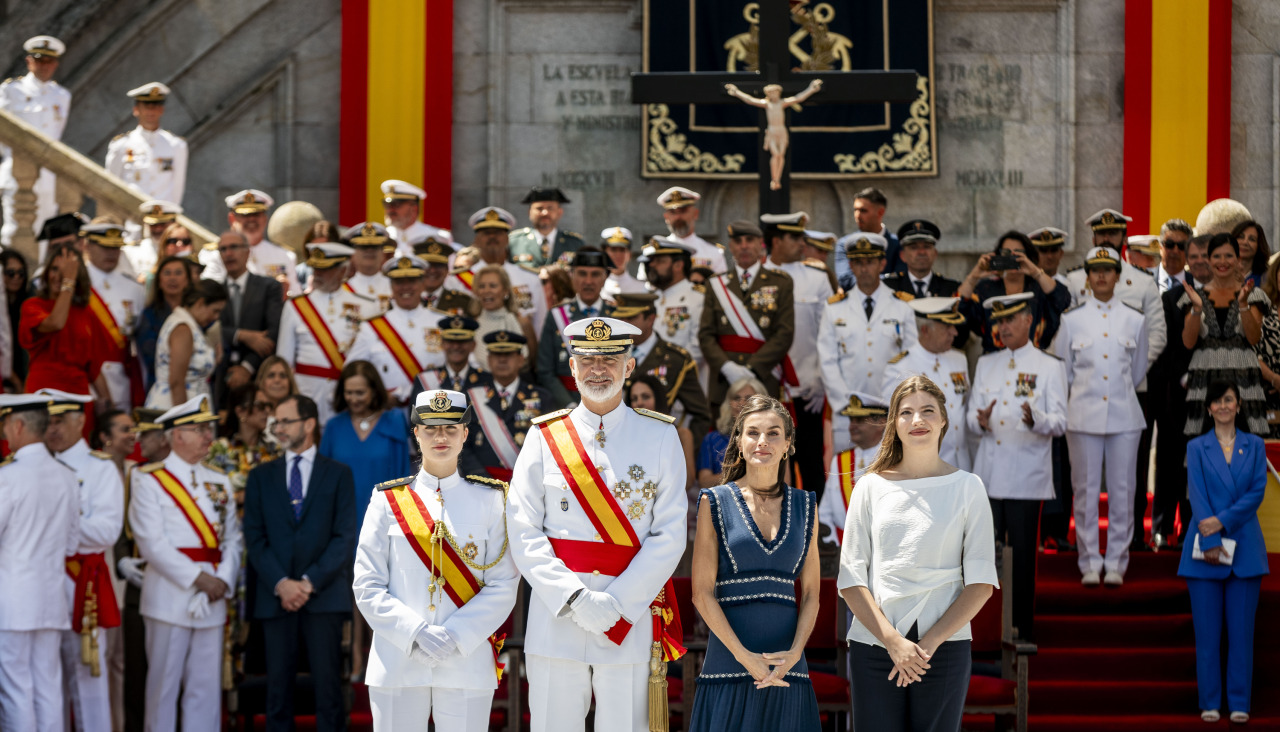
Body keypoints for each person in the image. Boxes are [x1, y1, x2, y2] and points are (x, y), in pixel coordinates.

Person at [507, 316, 688, 732]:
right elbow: (523, 529)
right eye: (586, 360)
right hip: (558, 618)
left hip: (628, 617)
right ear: (571, 368)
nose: (598, 369)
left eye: (610, 359)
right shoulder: (545, 435)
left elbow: (670, 533)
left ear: (629, 366)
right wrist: (574, 598)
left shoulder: (660, 436)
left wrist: (617, 603)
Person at [353, 388, 518, 731]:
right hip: (399, 657)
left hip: (466, 658)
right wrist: (414, 633)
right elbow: (367, 584)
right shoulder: (387, 501)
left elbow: (504, 583)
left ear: (465, 434)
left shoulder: (491, 500)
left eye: (450, 428)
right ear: (416, 433)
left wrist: (455, 634)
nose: (440, 436)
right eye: (430, 428)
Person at [840, 376, 998, 732]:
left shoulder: (968, 487)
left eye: (928, 411)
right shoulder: (869, 486)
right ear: (894, 423)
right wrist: (893, 642)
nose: (917, 420)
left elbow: (981, 583)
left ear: (944, 419)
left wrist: (927, 645)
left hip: (942, 648)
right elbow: (851, 578)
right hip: (875, 644)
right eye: (906, 412)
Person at [687, 394, 820, 730]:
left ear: (788, 443)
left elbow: (812, 596)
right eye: (753, 433)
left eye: (774, 433)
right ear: (740, 441)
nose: (763, 441)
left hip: (787, 669)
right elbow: (701, 593)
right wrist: (745, 658)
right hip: (729, 665)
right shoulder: (714, 502)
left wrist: (794, 655)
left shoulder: (806, 505)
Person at [243, 394, 356, 732]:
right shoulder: (260, 476)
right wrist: (282, 583)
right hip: (275, 597)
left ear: (308, 424)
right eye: (275, 422)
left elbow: (344, 536)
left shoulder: (338, 474)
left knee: (328, 691)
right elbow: (255, 537)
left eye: (285, 421)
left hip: (323, 597)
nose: (278, 428)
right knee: (277, 693)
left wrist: (307, 583)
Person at [128, 395, 241, 732]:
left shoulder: (220, 480)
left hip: (214, 596)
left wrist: (223, 579)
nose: (208, 435)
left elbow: (233, 538)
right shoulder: (148, 479)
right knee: (163, 688)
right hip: (169, 595)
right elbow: (151, 543)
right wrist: (199, 579)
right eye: (198, 429)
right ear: (176, 435)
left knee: (204, 689)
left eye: (208, 428)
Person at [969, 293, 1066, 638]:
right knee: (981, 558)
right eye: (999, 320)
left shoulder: (1049, 366)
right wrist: (978, 421)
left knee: (1023, 558)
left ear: (1029, 321)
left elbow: (1060, 423)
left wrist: (1035, 418)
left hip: (1026, 476)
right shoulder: (986, 363)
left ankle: (1021, 630)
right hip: (990, 476)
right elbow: (970, 416)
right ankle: (984, 629)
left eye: (1010, 320)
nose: (1003, 326)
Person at [1055, 247, 1149, 586]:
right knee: (1085, 492)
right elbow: (1062, 370)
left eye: (1108, 270)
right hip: (1083, 415)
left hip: (1125, 415)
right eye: (1095, 270)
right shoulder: (1072, 320)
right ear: (1088, 276)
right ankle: (1090, 562)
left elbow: (1137, 370)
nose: (1101, 276)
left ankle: (1117, 564)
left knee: (1124, 490)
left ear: (1118, 274)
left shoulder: (1135, 319)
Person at [1177, 380, 1269, 725]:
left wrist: (1222, 522)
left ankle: (1240, 701)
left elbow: (1257, 491)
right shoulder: (1196, 447)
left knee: (1242, 634)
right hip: (1203, 549)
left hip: (1244, 548)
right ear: (1209, 408)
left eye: (1228, 399)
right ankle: (1210, 702)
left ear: (1239, 404)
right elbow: (1197, 495)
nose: (1223, 406)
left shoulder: (1255, 446)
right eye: (1217, 401)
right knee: (1208, 636)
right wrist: (1211, 536)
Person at [36, 389, 124, 732]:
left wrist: (58, 528)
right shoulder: (37, 466)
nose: (52, 429)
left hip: (81, 581)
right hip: (41, 580)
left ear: (80, 421)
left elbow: (107, 531)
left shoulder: (99, 468)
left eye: (59, 421)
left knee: (89, 680)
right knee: (45, 679)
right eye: (48, 422)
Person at [0, 393, 81, 732]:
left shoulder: (7, 476)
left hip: (13, 598)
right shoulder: (66, 475)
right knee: (47, 686)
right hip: (51, 595)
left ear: (18, 426)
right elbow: (73, 543)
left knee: (16, 687)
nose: (4, 435)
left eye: (5, 426)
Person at [817, 232, 914, 454]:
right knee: (848, 476)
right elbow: (827, 361)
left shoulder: (902, 305)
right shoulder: (834, 308)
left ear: (882, 263)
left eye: (870, 262)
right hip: (849, 416)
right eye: (858, 262)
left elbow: (911, 359)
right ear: (850, 265)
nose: (864, 268)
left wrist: (896, 404)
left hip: (890, 412)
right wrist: (846, 406)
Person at [760, 211, 833, 493]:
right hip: (765, 387)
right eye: (794, 237)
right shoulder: (756, 277)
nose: (801, 243)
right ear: (776, 240)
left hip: (805, 390)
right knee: (766, 462)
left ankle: (816, 529)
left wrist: (820, 380)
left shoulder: (816, 278)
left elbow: (827, 334)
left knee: (811, 464)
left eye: (802, 236)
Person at [275, 243, 380, 425]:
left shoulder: (367, 306)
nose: (318, 274)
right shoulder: (295, 307)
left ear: (342, 270)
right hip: (307, 392)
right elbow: (284, 361)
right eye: (316, 268)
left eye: (325, 269)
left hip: (351, 398)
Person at [1180, 233, 1270, 435]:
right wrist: (1196, 308)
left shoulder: (1253, 294)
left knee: (1246, 443)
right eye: (1217, 256)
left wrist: (1243, 304)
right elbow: (1188, 342)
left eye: (1229, 256)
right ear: (1209, 260)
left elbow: (1254, 337)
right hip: (1204, 379)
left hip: (1244, 379)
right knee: (1205, 444)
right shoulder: (1193, 295)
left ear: (1238, 260)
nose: (1223, 262)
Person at [701, 222, 796, 407]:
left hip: (764, 378)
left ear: (761, 244)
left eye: (749, 240)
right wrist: (727, 368)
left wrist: (753, 369)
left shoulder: (781, 282)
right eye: (738, 241)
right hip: (724, 382)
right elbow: (706, 335)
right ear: (730, 246)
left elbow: (784, 333)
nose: (744, 246)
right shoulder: (715, 284)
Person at [19, 243, 114, 412]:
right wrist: (68, 281)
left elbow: (94, 367)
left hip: (78, 394)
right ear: (46, 272)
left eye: (67, 270)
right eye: (55, 269)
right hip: (44, 393)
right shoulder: (33, 306)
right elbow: (56, 323)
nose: (59, 275)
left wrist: (109, 406)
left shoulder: (85, 313)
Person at [319, 360, 412, 530]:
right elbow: (322, 480)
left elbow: (403, 477)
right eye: (349, 393)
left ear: (375, 391)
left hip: (383, 521)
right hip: (341, 521)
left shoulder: (394, 421)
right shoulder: (334, 426)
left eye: (360, 393)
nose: (353, 399)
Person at [881, 297, 970, 470]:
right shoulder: (900, 367)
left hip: (962, 464)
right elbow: (892, 425)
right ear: (925, 330)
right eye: (947, 327)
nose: (955, 332)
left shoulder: (959, 359)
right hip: (924, 470)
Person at [347, 255, 448, 405]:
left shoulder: (442, 323)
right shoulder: (372, 328)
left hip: (435, 410)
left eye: (412, 281)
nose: (405, 287)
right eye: (399, 282)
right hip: (387, 410)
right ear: (391, 287)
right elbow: (352, 371)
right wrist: (374, 396)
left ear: (422, 284)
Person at [614, 291, 712, 444]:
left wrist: (681, 449)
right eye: (621, 318)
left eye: (631, 318)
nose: (625, 325)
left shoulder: (676, 360)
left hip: (658, 444)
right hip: (618, 442)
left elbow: (701, 416)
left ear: (651, 319)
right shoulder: (611, 355)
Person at [0, 36, 70, 251]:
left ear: (56, 64)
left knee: (44, 231)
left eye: (49, 61)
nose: (44, 66)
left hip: (48, 176)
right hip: (16, 170)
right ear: (29, 61)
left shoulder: (62, 95)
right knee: (13, 229)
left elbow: (56, 134)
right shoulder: (11, 90)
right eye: (39, 60)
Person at [460, 331, 552, 482]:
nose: (502, 360)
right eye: (496, 355)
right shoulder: (470, 398)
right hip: (479, 484)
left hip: (528, 483)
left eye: (509, 354)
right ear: (488, 360)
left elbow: (549, 447)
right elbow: (461, 445)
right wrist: (481, 479)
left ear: (521, 360)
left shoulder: (542, 398)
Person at [958, 230, 1070, 353]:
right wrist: (973, 278)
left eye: (1018, 253)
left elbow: (1062, 300)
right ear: (998, 256)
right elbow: (960, 313)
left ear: (1027, 256)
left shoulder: (1039, 288)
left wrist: (1035, 271)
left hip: (1034, 361)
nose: (1012, 257)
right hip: (995, 362)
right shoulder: (986, 289)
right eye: (1006, 253)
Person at [212, 229, 285, 402]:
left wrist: (247, 367)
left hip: (258, 377)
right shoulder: (213, 292)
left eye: (234, 247)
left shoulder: (269, 287)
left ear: (247, 251)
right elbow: (209, 328)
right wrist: (241, 335)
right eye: (223, 249)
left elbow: (274, 332)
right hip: (221, 380)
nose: (228, 254)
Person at [539, 247, 616, 407]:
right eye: (582, 273)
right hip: (566, 405)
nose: (588, 281)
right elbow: (544, 370)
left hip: (609, 404)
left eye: (595, 274)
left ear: (605, 277)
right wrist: (568, 404)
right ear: (572, 275)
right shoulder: (556, 316)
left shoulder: (616, 315)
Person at [81, 222, 145, 411]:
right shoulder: (77, 283)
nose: (111, 253)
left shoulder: (134, 288)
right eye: (104, 246)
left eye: (115, 247)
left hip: (121, 381)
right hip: (85, 377)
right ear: (87, 246)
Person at [459, 205, 549, 336]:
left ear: (507, 238)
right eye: (486, 233)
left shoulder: (529, 278)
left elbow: (540, 325)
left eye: (498, 232)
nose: (492, 237)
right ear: (476, 240)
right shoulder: (461, 278)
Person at [724, 79, 823, 191]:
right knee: (775, 154)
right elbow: (750, 100)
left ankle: (777, 179)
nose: (774, 95)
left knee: (780, 155)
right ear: (768, 94)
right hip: (772, 131)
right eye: (772, 93)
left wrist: (811, 89)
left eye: (776, 93)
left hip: (781, 131)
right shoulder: (767, 104)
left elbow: (798, 98)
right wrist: (736, 92)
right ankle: (774, 179)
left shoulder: (782, 103)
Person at [818, 393, 888, 544]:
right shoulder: (839, 461)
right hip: (842, 552)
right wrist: (834, 548)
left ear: (881, 422)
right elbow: (825, 513)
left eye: (860, 420)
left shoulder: (893, 459)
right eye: (851, 419)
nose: (852, 425)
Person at [146, 279, 227, 409]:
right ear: (200, 303)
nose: (216, 317)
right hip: (177, 406)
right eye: (215, 310)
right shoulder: (183, 328)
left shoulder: (190, 325)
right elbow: (176, 382)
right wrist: (184, 421)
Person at [641, 235, 708, 391]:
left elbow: (698, 348)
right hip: (649, 387)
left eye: (660, 261)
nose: (652, 265)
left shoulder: (697, 299)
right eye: (652, 260)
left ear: (678, 265)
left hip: (683, 387)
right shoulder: (652, 298)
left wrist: (665, 373)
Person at [104, 82, 188, 206]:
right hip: (130, 218)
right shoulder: (121, 144)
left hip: (161, 219)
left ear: (161, 110)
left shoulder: (176, 145)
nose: (151, 111)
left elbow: (177, 186)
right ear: (136, 110)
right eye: (146, 106)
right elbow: (111, 183)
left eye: (155, 106)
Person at [206, 382, 282, 503]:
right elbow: (208, 493)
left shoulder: (274, 451)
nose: (266, 411)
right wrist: (238, 497)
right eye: (260, 406)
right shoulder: (220, 449)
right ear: (240, 411)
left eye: (268, 405)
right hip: (230, 517)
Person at [625, 374, 696, 490]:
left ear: (658, 399)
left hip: (670, 502)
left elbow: (688, 482)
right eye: (634, 399)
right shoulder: (625, 436)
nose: (639, 403)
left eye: (645, 397)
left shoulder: (682, 435)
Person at [137, 255, 195, 390]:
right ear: (159, 281)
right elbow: (150, 355)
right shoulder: (149, 315)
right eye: (167, 273)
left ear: (187, 280)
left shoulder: (196, 314)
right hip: (161, 386)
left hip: (193, 386)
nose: (172, 278)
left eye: (178, 273)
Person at [698, 377, 766, 489]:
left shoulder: (774, 437)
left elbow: (784, 481)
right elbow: (704, 482)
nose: (742, 403)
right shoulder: (711, 439)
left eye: (749, 398)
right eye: (736, 398)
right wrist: (741, 475)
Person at [833, 188, 904, 290]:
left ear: (880, 212)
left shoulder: (898, 244)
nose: (857, 215)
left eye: (863, 211)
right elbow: (845, 279)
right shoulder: (844, 244)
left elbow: (900, 278)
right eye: (855, 210)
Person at [654, 187, 728, 275]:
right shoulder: (654, 253)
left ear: (695, 214)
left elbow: (720, 286)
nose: (678, 217)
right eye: (673, 212)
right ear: (666, 217)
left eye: (683, 211)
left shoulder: (714, 253)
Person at [472, 265, 537, 364]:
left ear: (505, 291)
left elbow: (533, 362)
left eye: (493, 286)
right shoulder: (472, 325)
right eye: (481, 286)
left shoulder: (522, 324)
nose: (486, 291)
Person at [508, 186, 585, 267]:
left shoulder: (575, 244)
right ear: (529, 212)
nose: (545, 213)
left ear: (560, 212)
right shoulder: (514, 243)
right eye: (539, 208)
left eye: (550, 208)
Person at [884, 219, 961, 297]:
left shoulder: (951, 289)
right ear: (902, 256)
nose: (921, 252)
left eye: (927, 247)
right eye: (914, 248)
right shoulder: (887, 288)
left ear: (935, 254)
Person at [380, 179, 451, 257]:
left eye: (396, 205)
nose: (390, 210)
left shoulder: (437, 237)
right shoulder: (381, 238)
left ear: (414, 208)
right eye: (387, 205)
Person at [123, 201, 182, 284]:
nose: (158, 229)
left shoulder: (181, 250)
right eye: (153, 225)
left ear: (173, 224)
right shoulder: (132, 250)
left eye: (162, 224)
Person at [342, 222, 394, 312]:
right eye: (364, 246)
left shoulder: (395, 287)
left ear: (383, 253)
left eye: (375, 246)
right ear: (353, 254)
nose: (369, 250)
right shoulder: (342, 290)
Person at [0, 249, 30, 387]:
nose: (16, 277)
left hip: (26, 378)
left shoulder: (29, 302)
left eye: (21, 273)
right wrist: (16, 381)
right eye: (10, 273)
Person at [600, 227, 645, 298]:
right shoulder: (596, 288)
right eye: (613, 250)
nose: (618, 255)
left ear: (629, 255)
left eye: (622, 250)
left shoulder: (642, 288)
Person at [1232, 220, 1270, 288]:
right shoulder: (1220, 271)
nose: (1245, 242)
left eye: (1252, 239)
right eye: (1241, 237)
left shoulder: (1266, 277)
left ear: (1259, 246)